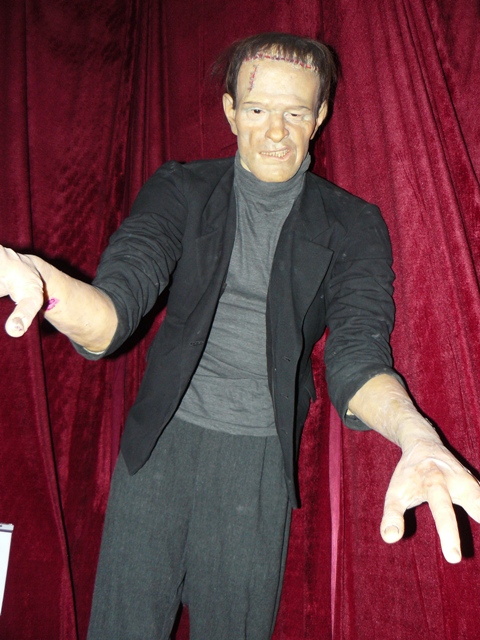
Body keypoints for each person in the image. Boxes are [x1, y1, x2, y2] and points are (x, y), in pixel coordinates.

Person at [1, 33, 479, 640]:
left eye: (295, 113)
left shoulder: (353, 224)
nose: (276, 132)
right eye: (256, 109)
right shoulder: (181, 190)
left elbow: (357, 355)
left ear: (319, 116)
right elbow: (116, 309)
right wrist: (50, 290)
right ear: (230, 111)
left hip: (257, 464)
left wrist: (417, 435)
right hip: (158, 447)